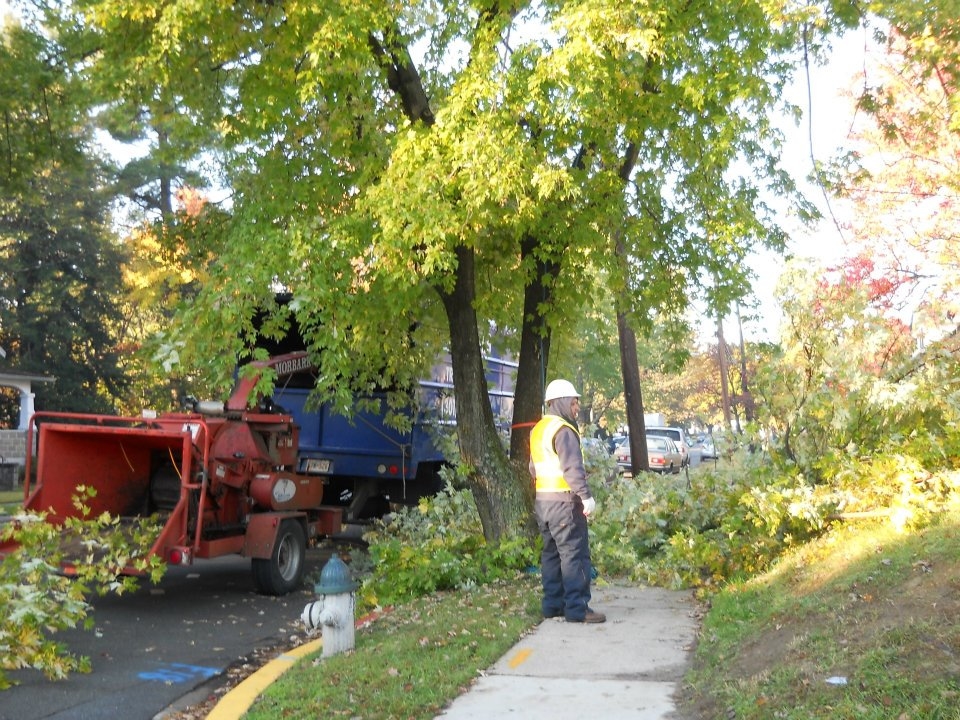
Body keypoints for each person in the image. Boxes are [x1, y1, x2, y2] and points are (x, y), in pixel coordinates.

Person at [528, 379, 605, 624]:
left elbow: (533, 469)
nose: (576, 407)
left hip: (543, 503)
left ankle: (552, 606)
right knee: (574, 555)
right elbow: (572, 468)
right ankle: (577, 608)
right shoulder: (564, 430)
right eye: (573, 402)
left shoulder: (539, 429)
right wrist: (585, 496)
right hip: (565, 504)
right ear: (560, 402)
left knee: (551, 554)